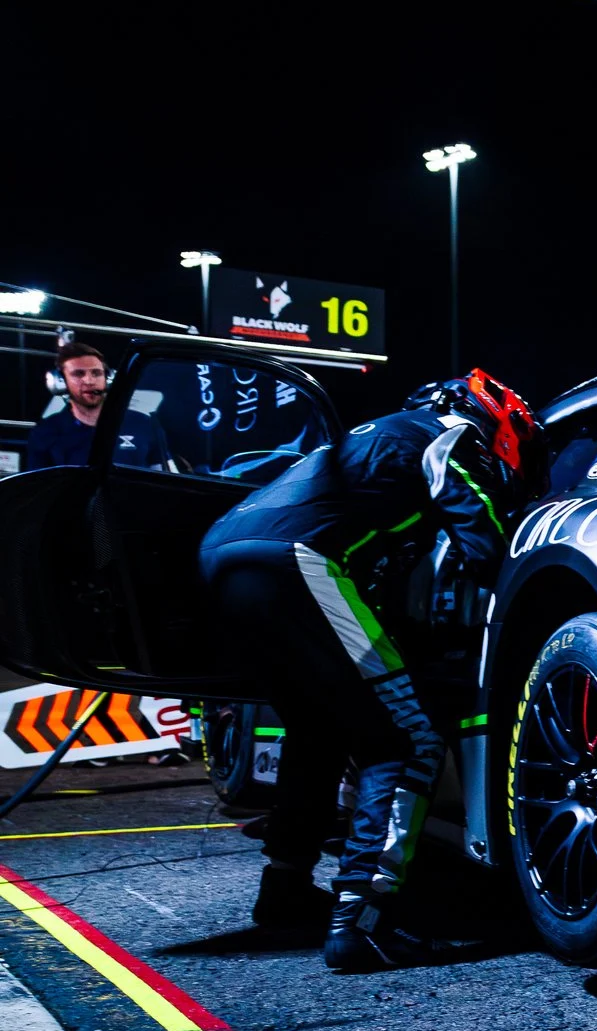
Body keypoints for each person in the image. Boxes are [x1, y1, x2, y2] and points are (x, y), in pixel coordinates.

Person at [198, 370, 542, 971]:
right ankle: (365, 920)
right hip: (298, 559)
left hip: (222, 554)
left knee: (319, 731)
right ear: (496, 421)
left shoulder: (370, 438)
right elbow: (485, 538)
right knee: (406, 739)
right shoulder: (447, 432)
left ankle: (283, 891)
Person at [20, 341, 170, 471]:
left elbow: (165, 478)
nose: (89, 381)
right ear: (61, 382)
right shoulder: (45, 433)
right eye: (78, 374)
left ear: (108, 378)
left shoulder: (144, 424)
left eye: (96, 373)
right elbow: (41, 491)